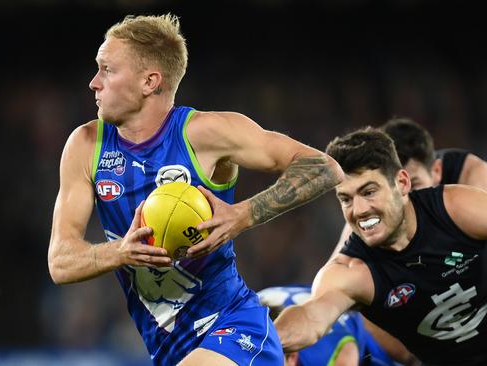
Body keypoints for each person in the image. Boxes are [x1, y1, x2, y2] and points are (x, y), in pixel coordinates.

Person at [47, 14, 343, 366]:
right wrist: (121, 252)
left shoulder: (206, 133)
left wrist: (243, 215)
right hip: (168, 349)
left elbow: (324, 167)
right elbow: (60, 262)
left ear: (149, 81)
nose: (94, 82)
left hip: (236, 327)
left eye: (107, 70)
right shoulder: (86, 146)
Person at [276, 128, 487, 365]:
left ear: (402, 184)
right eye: (346, 199)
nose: (358, 211)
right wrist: (268, 341)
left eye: (369, 191)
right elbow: (312, 316)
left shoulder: (458, 209)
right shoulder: (350, 271)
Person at [330, 117, 487, 297]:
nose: (406, 199)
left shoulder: (469, 173)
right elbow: (339, 262)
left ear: (437, 171)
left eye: (416, 184)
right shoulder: (372, 211)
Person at [258, 285, 402, 366]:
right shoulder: (242, 331)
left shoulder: (324, 354)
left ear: (292, 357)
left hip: (367, 331)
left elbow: (347, 352)